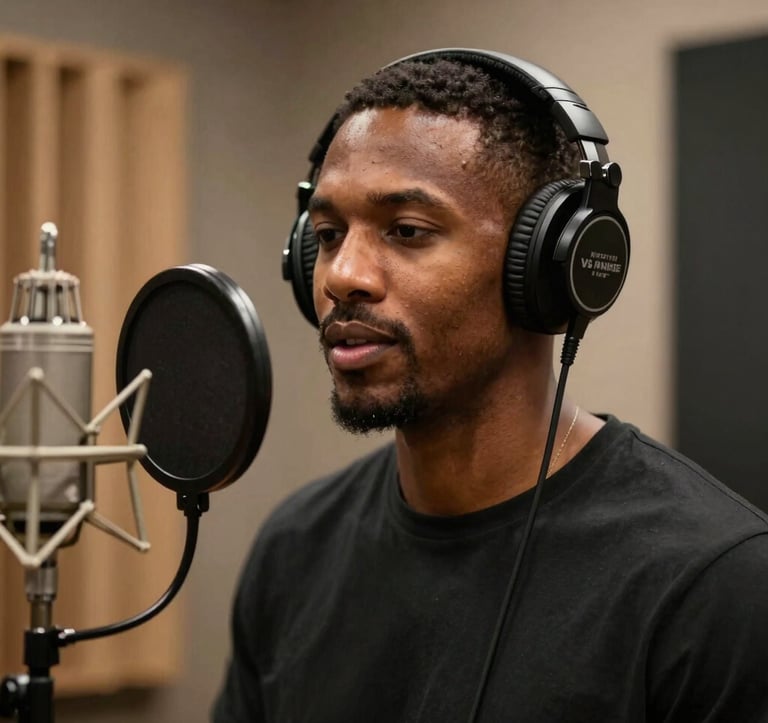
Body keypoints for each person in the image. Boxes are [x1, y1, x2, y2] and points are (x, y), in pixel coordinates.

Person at [212, 49, 768, 722]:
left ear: (551, 263)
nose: (342, 274)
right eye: (328, 235)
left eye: (406, 231)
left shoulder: (713, 585)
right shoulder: (293, 548)